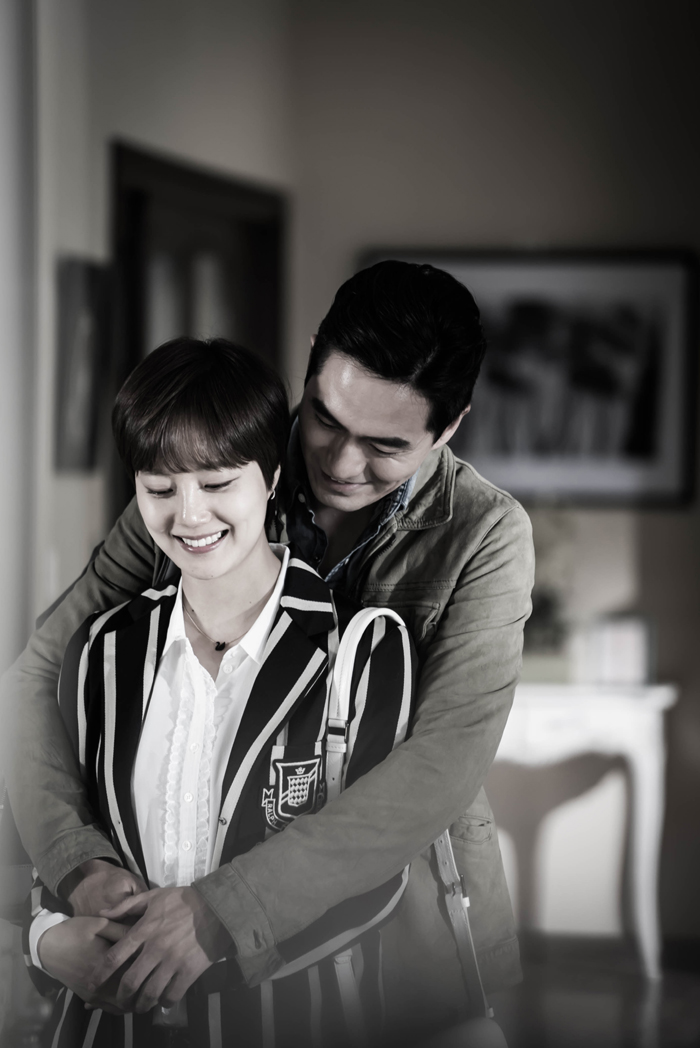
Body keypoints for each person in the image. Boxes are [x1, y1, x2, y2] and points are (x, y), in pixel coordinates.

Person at [2, 260, 534, 1040]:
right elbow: (34, 678)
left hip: (406, 930)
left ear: (449, 428)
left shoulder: (487, 534)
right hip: (171, 932)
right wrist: (77, 865)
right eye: (325, 418)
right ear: (312, 363)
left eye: (385, 446)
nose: (341, 464)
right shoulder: (212, 471)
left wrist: (222, 911)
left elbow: (441, 766)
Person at [23, 338, 416, 1047]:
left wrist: (207, 948)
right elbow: (52, 840)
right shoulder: (101, 650)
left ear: (271, 478)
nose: (189, 516)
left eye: (216, 483)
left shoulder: (362, 651)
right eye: (160, 489)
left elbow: (377, 879)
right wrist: (49, 938)